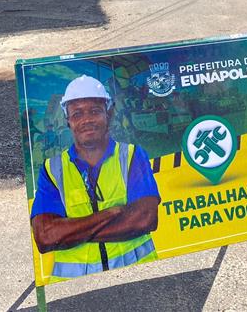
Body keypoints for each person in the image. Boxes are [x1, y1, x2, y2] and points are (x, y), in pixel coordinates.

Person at [31, 75, 160, 280]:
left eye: (94, 111)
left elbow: (145, 219)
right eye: (77, 113)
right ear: (68, 120)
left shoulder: (132, 155)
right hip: (76, 289)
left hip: (138, 277)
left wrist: (69, 233)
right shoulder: (52, 169)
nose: (86, 120)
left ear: (108, 114)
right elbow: (46, 237)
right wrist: (109, 214)